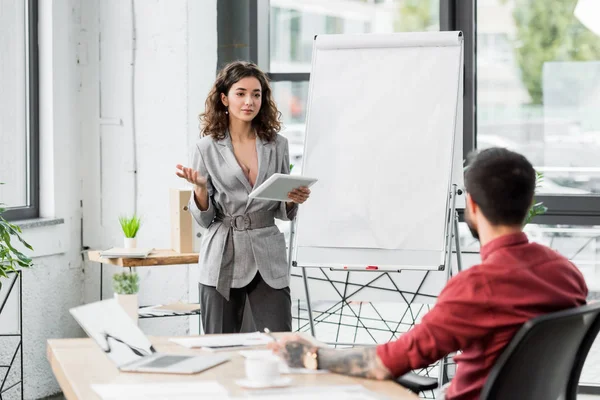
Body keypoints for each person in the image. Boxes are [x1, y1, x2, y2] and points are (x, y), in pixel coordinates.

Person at [269, 148, 588, 400]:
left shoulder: (479, 286)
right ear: (529, 201)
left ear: (472, 205)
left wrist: (311, 355)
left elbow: (389, 362)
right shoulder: (566, 273)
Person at [176, 61, 311, 334]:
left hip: (268, 257)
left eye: (256, 94)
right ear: (224, 98)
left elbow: (281, 211)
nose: (249, 101)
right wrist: (200, 190)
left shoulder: (278, 144)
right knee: (220, 347)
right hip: (222, 257)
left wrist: (292, 198)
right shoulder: (205, 149)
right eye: (241, 93)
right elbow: (205, 220)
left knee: (278, 344)